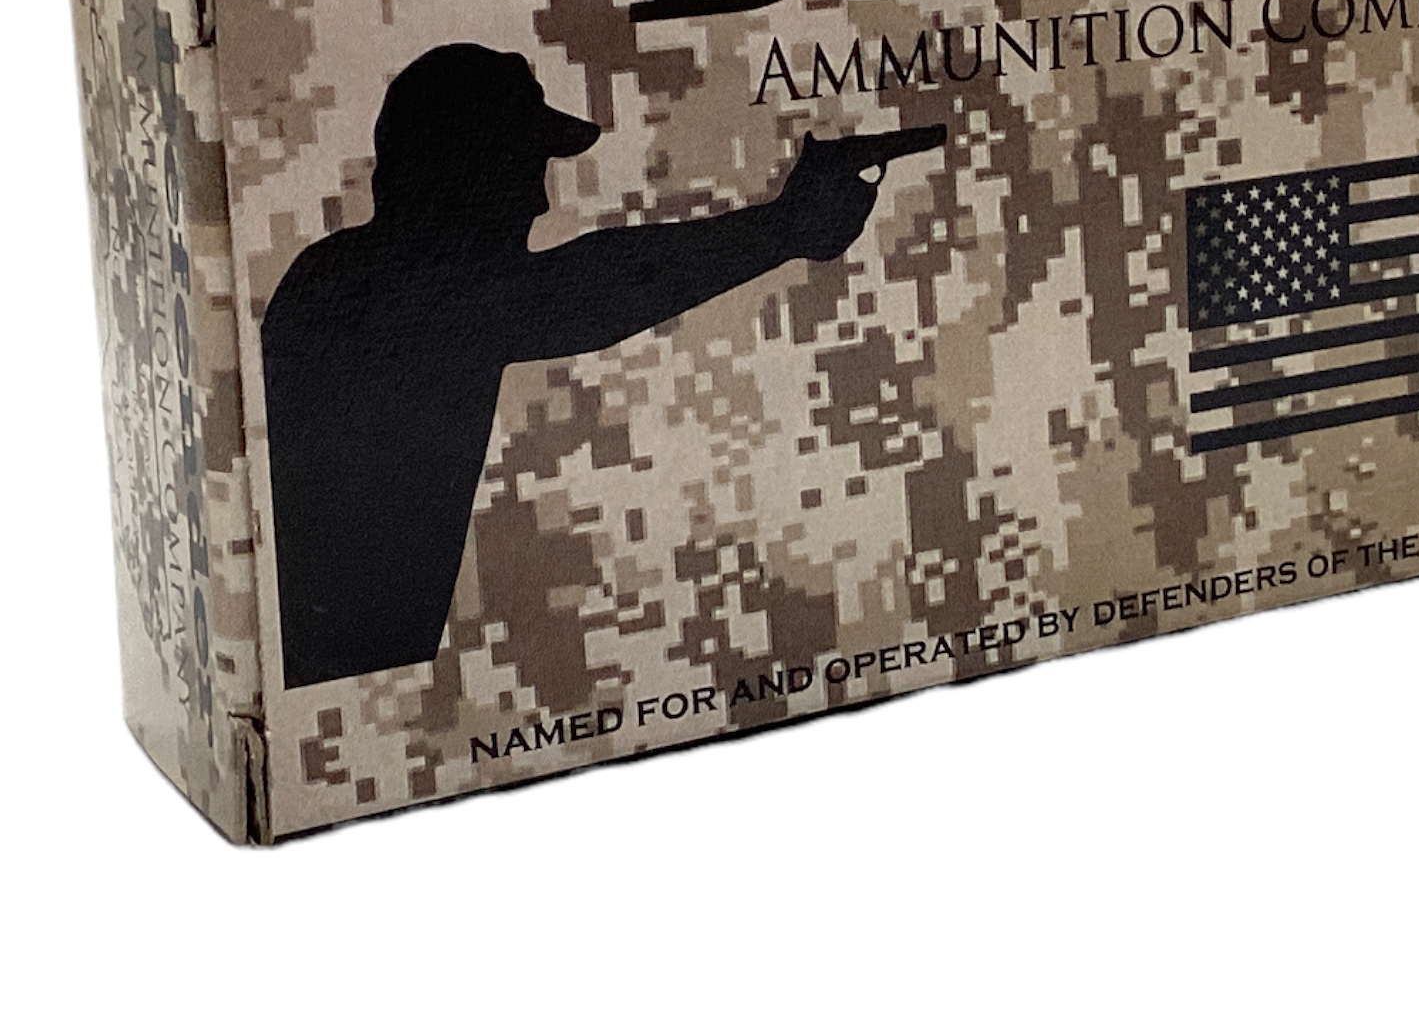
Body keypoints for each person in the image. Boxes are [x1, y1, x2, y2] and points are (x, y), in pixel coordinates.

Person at [260, 41, 942, 688]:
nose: (538, 201)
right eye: (520, 167)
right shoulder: (363, 289)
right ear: (462, 170)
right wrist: (783, 227)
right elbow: (582, 289)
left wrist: (785, 227)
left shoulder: (349, 278)